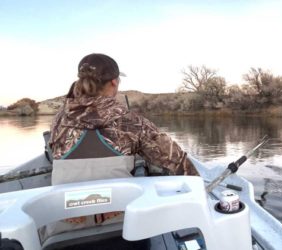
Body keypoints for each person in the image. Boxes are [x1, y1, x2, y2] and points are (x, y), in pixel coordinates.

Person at [40, 53, 199, 241]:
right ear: (114, 82)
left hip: (61, 229)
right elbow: (175, 159)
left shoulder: (59, 119)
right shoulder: (129, 121)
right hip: (119, 229)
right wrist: (199, 186)